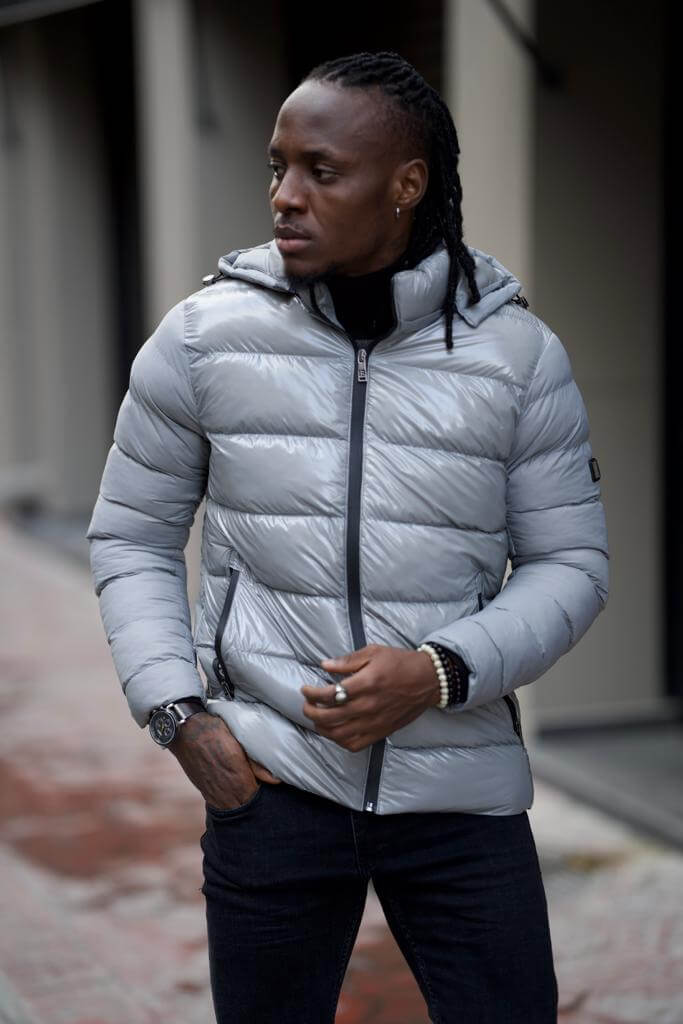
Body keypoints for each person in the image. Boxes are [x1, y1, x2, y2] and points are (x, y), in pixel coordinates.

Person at [86, 50, 609, 1024]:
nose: (284, 196)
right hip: (269, 785)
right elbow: (131, 534)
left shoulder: (514, 356)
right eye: (277, 167)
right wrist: (177, 715)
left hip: (460, 796)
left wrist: (438, 672)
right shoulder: (202, 339)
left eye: (320, 171)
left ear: (405, 186)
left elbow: (569, 564)